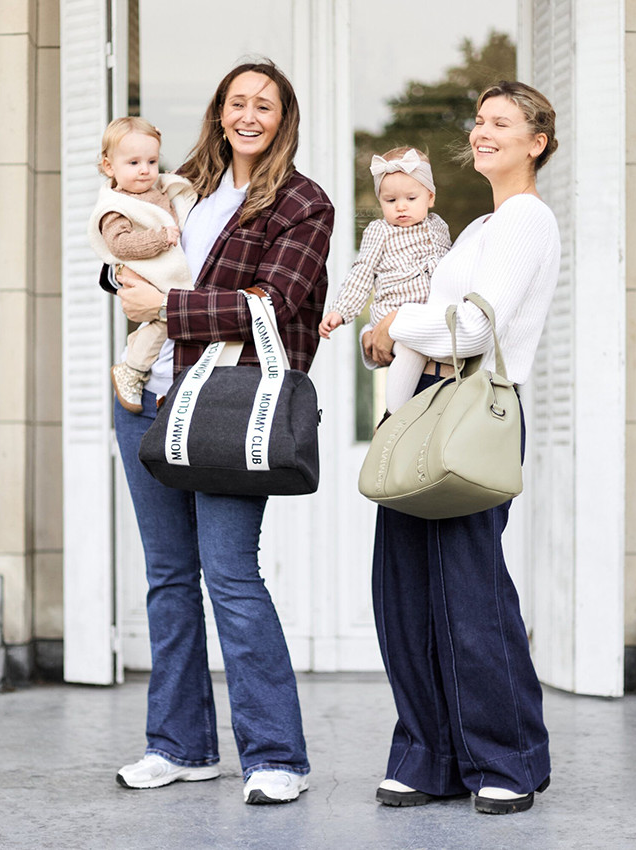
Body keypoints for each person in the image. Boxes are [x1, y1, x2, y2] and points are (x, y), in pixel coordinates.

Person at [105, 60, 334, 805]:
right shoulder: (183, 185)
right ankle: (179, 745)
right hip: (148, 399)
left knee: (231, 578)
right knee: (169, 580)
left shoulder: (303, 203)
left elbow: (273, 301)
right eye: (237, 101)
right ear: (219, 110)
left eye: (263, 105)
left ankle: (276, 758)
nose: (248, 114)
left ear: (283, 118)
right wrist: (118, 280)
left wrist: (166, 307)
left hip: (229, 408)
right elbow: (121, 248)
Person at [363, 81, 561, 815]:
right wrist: (383, 340)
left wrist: (396, 324)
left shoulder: (526, 220)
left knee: (467, 589)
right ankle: (428, 754)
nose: (483, 132)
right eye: (479, 120)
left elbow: (474, 333)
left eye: (501, 122)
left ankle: (507, 758)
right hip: (425, 409)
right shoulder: (476, 229)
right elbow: (414, 321)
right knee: (404, 591)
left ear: (536, 141)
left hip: (473, 411)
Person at [318, 147, 451, 415]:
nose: (401, 206)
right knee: (408, 354)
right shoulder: (380, 231)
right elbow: (362, 272)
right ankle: (395, 415)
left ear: (430, 197)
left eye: (411, 198)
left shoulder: (439, 226)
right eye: (390, 201)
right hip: (396, 316)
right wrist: (340, 311)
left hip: (431, 317)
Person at [88, 117, 196, 413]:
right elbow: (120, 244)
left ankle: (135, 357)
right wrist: (160, 238)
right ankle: (132, 369)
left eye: (151, 160)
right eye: (133, 163)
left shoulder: (157, 187)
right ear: (110, 167)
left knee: (162, 317)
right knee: (164, 319)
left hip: (161, 276)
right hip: (148, 273)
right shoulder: (116, 206)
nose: (145, 170)